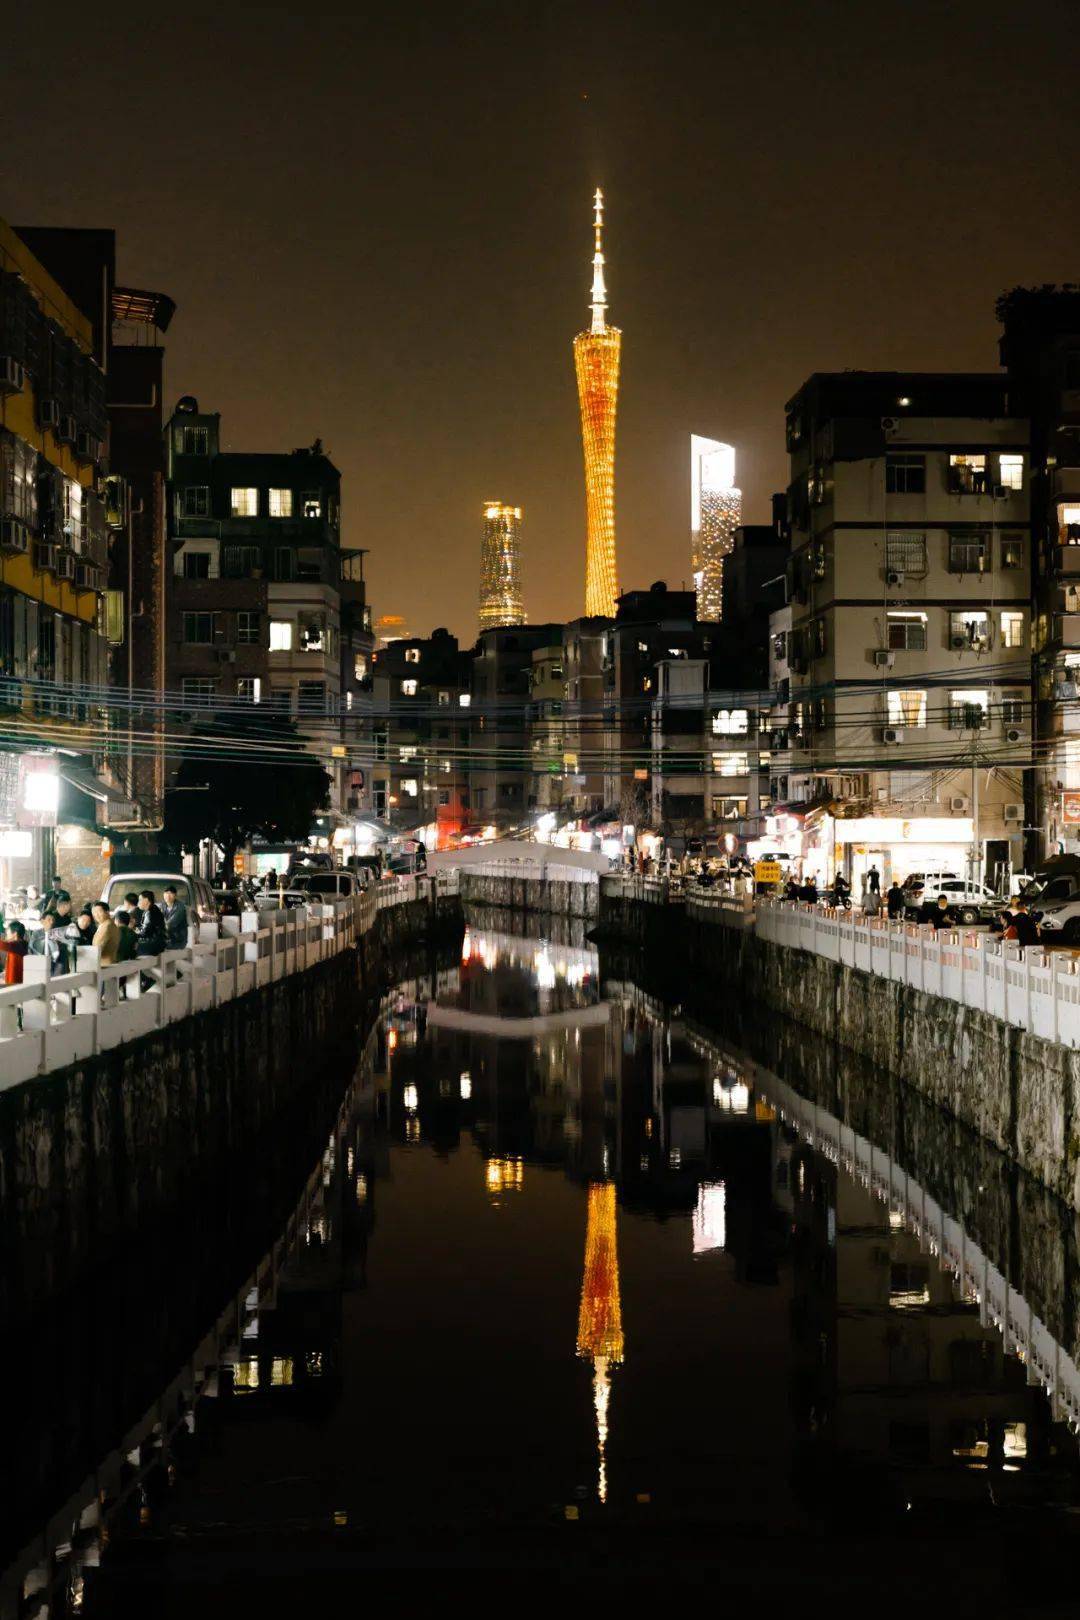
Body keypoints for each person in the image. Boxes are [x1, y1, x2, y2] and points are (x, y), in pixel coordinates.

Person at [135, 891, 167, 956]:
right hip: (159, 943)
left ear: (146, 900)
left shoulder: (149, 913)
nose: (138, 902)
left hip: (153, 944)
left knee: (131, 946)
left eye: (140, 900)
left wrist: (134, 934)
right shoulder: (154, 909)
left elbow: (145, 932)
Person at [162, 885, 189, 950]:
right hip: (168, 939)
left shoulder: (180, 907)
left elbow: (170, 923)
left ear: (175, 895)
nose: (168, 896)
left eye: (171, 893)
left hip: (178, 941)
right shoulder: (162, 905)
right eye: (166, 893)